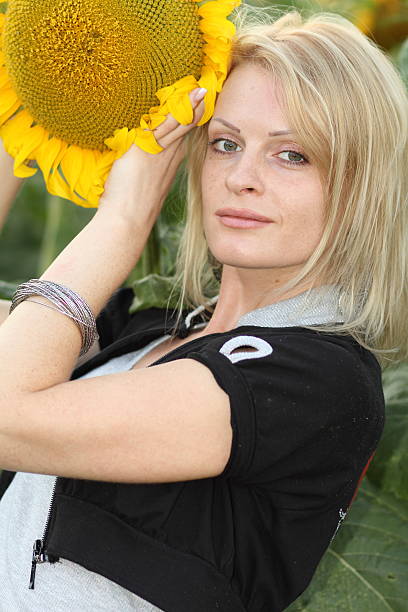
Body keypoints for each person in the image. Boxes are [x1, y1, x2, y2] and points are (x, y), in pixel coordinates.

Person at [0, 8, 407, 612]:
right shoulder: (146, 328)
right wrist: (24, 106)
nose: (241, 177)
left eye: (292, 154)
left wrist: (123, 220)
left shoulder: (319, 380)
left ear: (363, 183)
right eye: (225, 142)